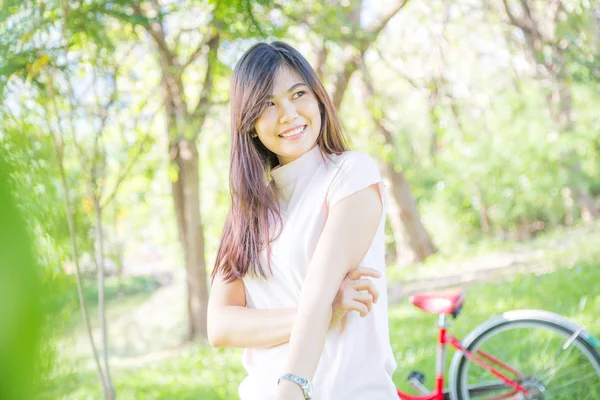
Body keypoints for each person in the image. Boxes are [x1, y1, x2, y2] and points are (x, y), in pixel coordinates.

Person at [207, 41, 397, 400]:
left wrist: (291, 388)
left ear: (318, 98)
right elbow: (220, 326)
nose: (289, 114)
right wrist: (328, 309)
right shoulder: (247, 211)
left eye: (298, 94)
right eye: (268, 104)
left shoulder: (350, 175)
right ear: (248, 124)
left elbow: (318, 292)